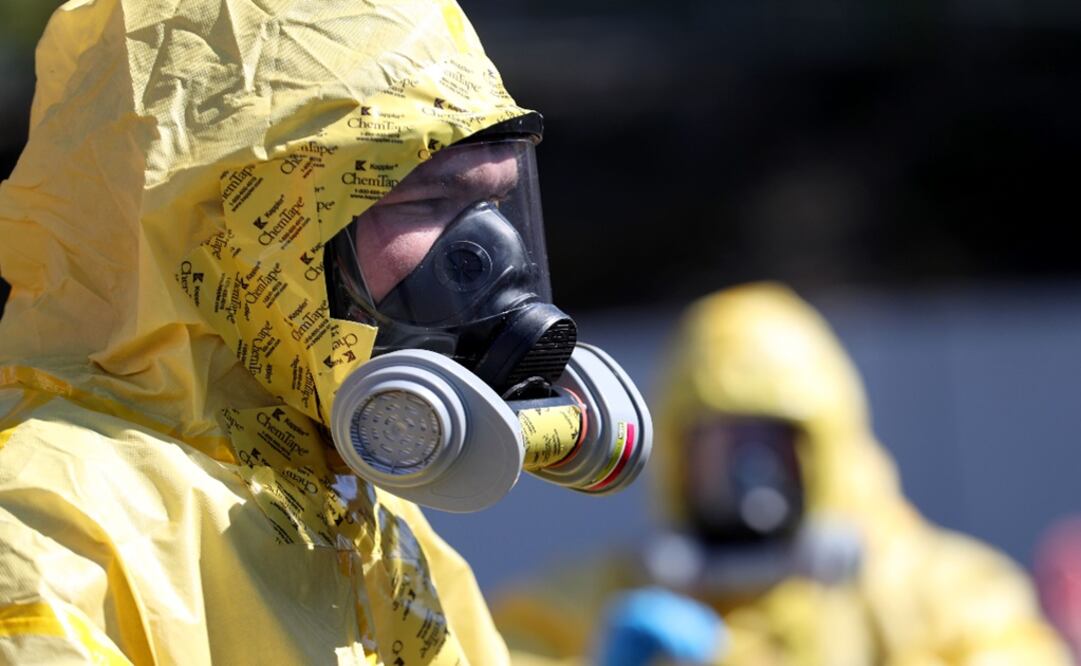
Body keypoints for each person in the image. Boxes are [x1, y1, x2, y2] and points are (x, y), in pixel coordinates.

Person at [0, 0, 648, 663]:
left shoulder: (371, 527)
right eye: (426, 201)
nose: (495, 250)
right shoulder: (46, 525)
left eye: (495, 202)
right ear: (229, 227)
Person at [493, 283, 1070, 665]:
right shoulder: (597, 603)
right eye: (723, 442)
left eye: (772, 441)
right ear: (677, 452)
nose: (750, 471)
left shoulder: (938, 593)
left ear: (830, 447)